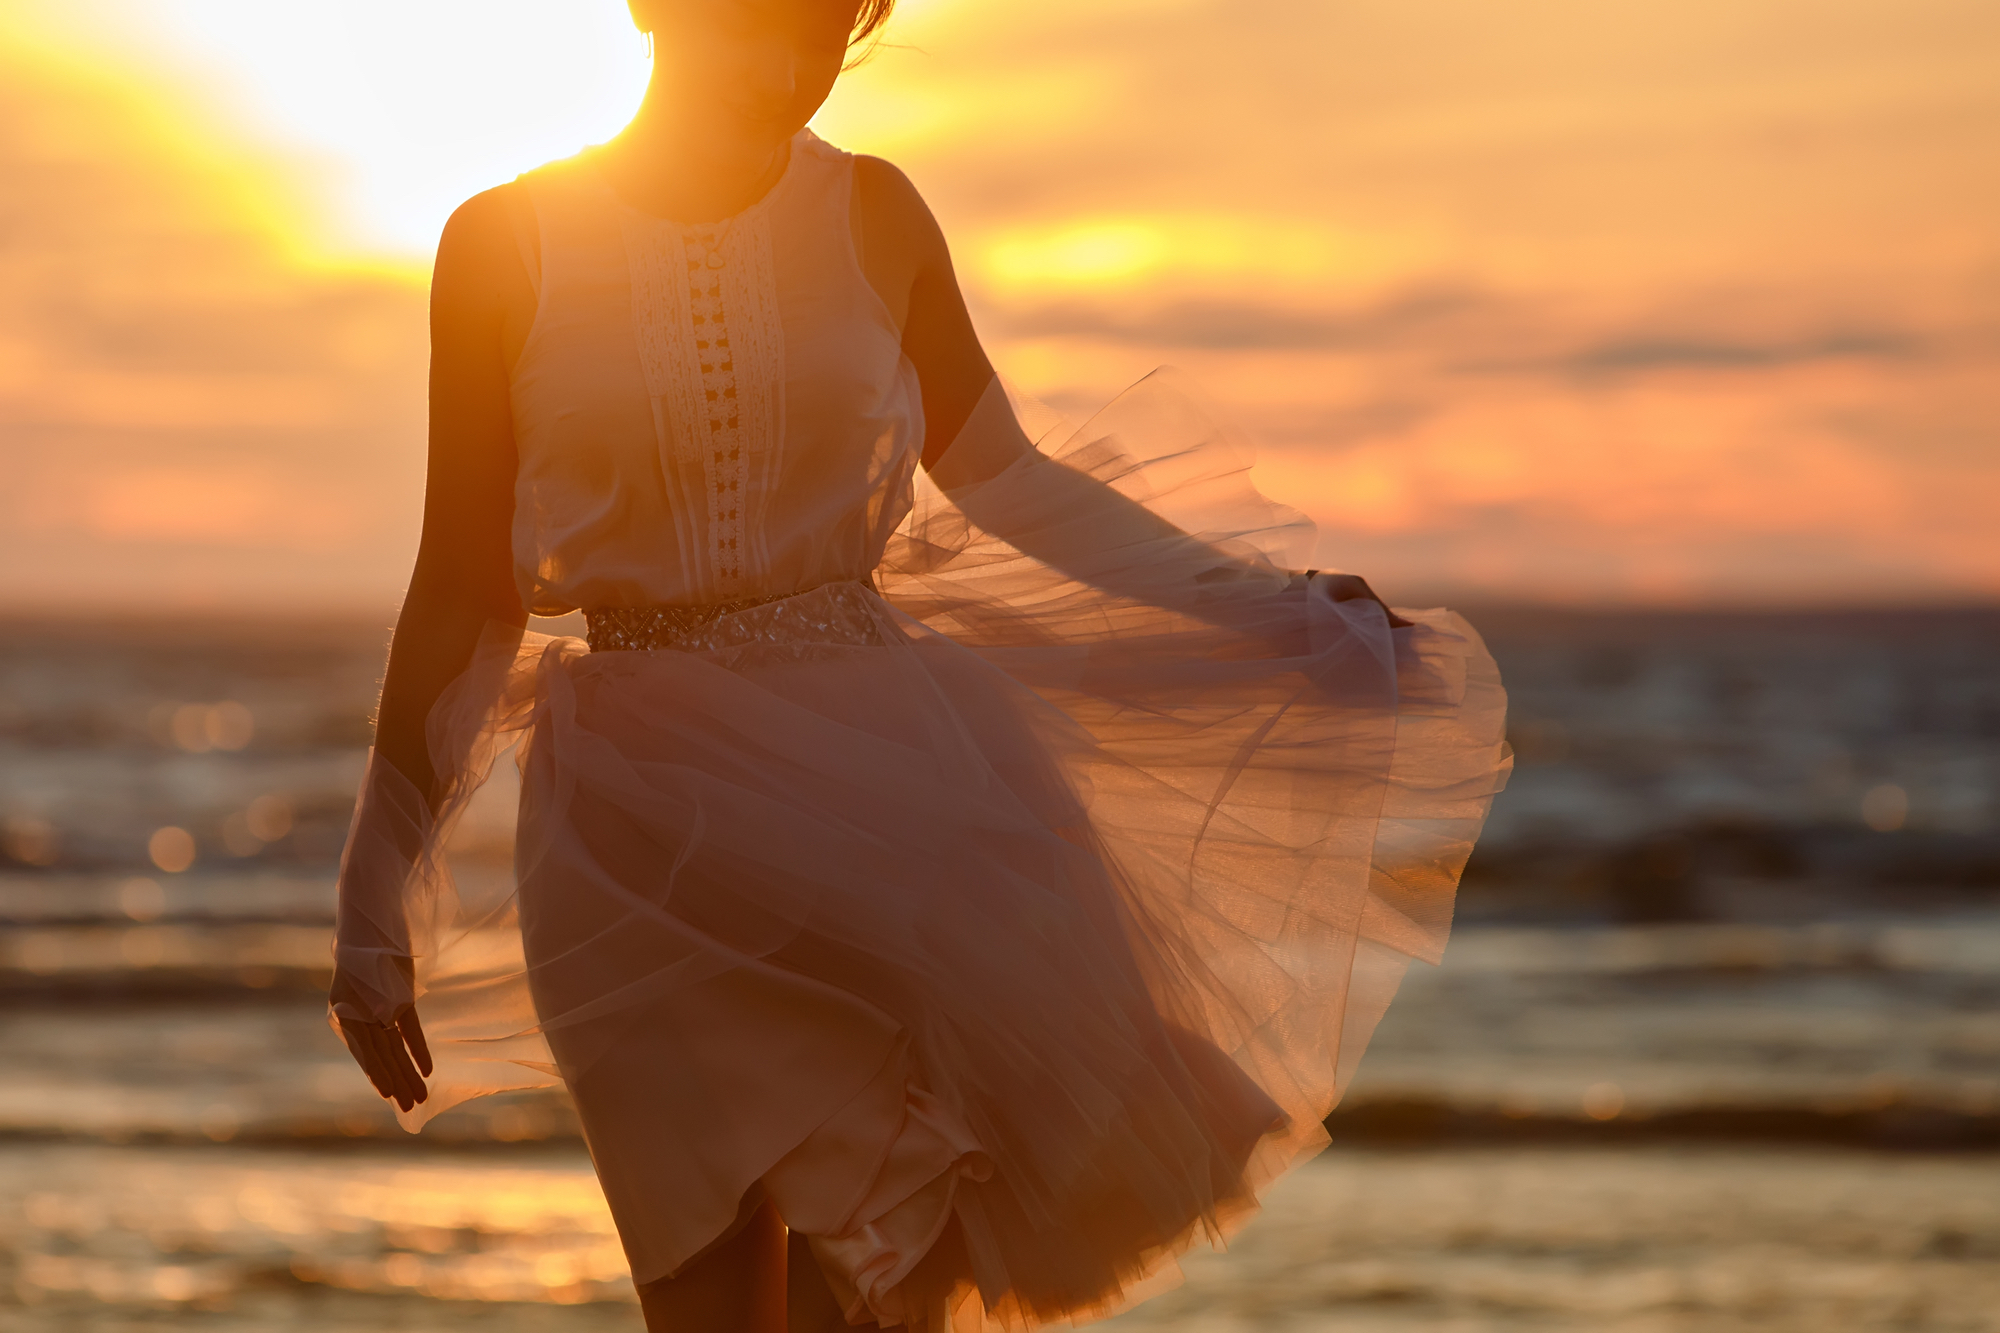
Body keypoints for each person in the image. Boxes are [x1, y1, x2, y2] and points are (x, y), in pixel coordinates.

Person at [328, 1, 1510, 1329]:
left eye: (830, 28)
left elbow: (1012, 481)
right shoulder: (504, 242)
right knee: (701, 1299)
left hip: (884, 816)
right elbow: (463, 588)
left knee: (878, 1289)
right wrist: (379, 894)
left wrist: (1268, 611)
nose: (794, 66)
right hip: (626, 843)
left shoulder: (873, 215)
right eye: (759, 26)